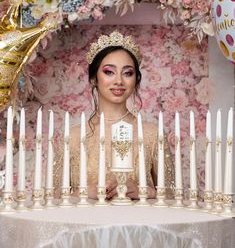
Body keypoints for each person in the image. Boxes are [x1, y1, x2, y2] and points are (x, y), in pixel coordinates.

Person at [54, 31, 174, 200]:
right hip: (85, 224)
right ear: (94, 78)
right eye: (109, 72)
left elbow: (174, 197)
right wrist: (85, 192)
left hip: (139, 224)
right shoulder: (73, 136)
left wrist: (145, 191)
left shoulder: (152, 134)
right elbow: (52, 199)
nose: (119, 81)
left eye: (127, 73)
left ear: (136, 80)